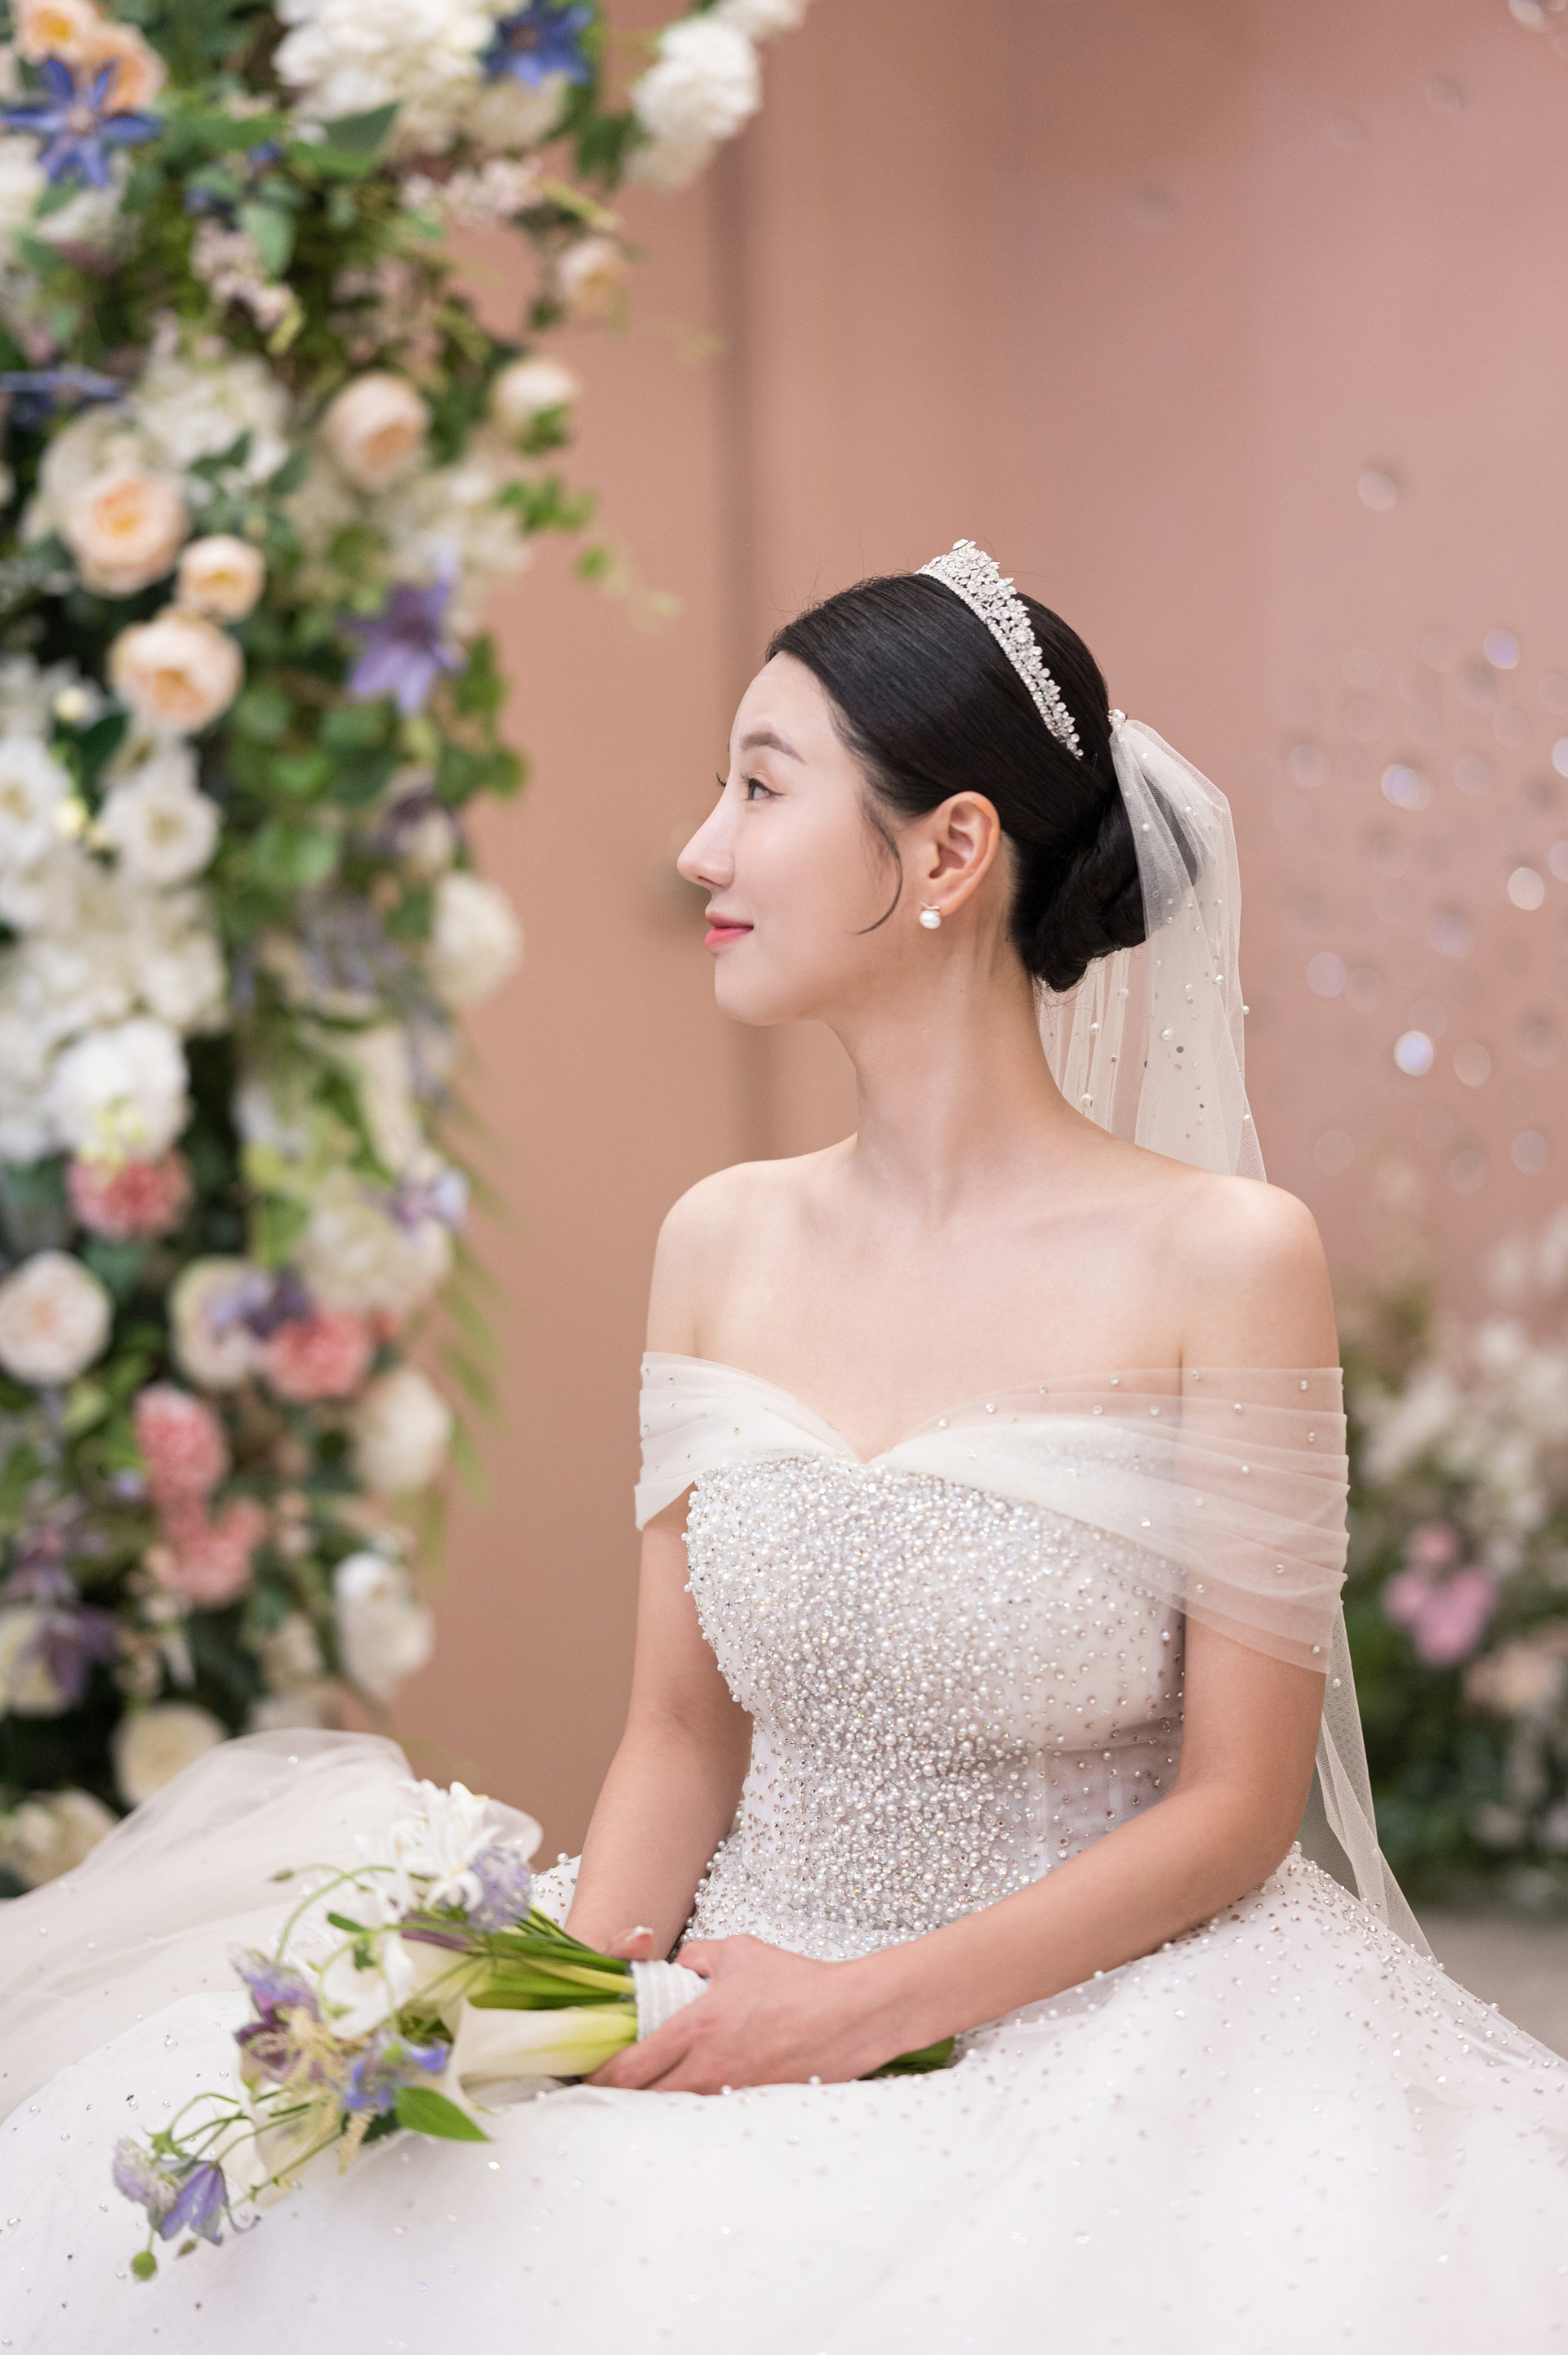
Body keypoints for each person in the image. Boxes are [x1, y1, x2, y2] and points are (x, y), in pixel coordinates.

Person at [1, 542, 1564, 2349]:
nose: (701, 851)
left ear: (951, 851)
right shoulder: (720, 1238)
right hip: (726, 1993)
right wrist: (558, 2007)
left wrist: (857, 2010)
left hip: (1115, 2044)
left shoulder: (1227, 1258)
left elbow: (1235, 1805)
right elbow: (679, 1730)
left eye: (759, 787)